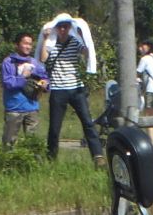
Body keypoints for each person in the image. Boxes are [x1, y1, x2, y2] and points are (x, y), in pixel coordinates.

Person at [40, 16, 105, 168]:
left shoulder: (74, 41)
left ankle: (98, 156)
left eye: (66, 27)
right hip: (58, 89)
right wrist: (45, 39)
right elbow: (43, 58)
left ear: (70, 28)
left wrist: (84, 38)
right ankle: (51, 158)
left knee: (88, 123)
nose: (63, 30)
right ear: (56, 28)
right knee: (54, 127)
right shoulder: (51, 43)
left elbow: (87, 53)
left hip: (76, 88)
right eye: (60, 27)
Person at [0, 32, 48, 147]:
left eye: (30, 44)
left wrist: (45, 84)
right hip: (14, 108)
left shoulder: (34, 62)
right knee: (9, 143)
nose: (28, 47)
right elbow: (8, 83)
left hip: (32, 108)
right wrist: (23, 77)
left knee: (33, 143)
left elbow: (44, 77)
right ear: (17, 45)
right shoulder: (8, 62)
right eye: (25, 43)